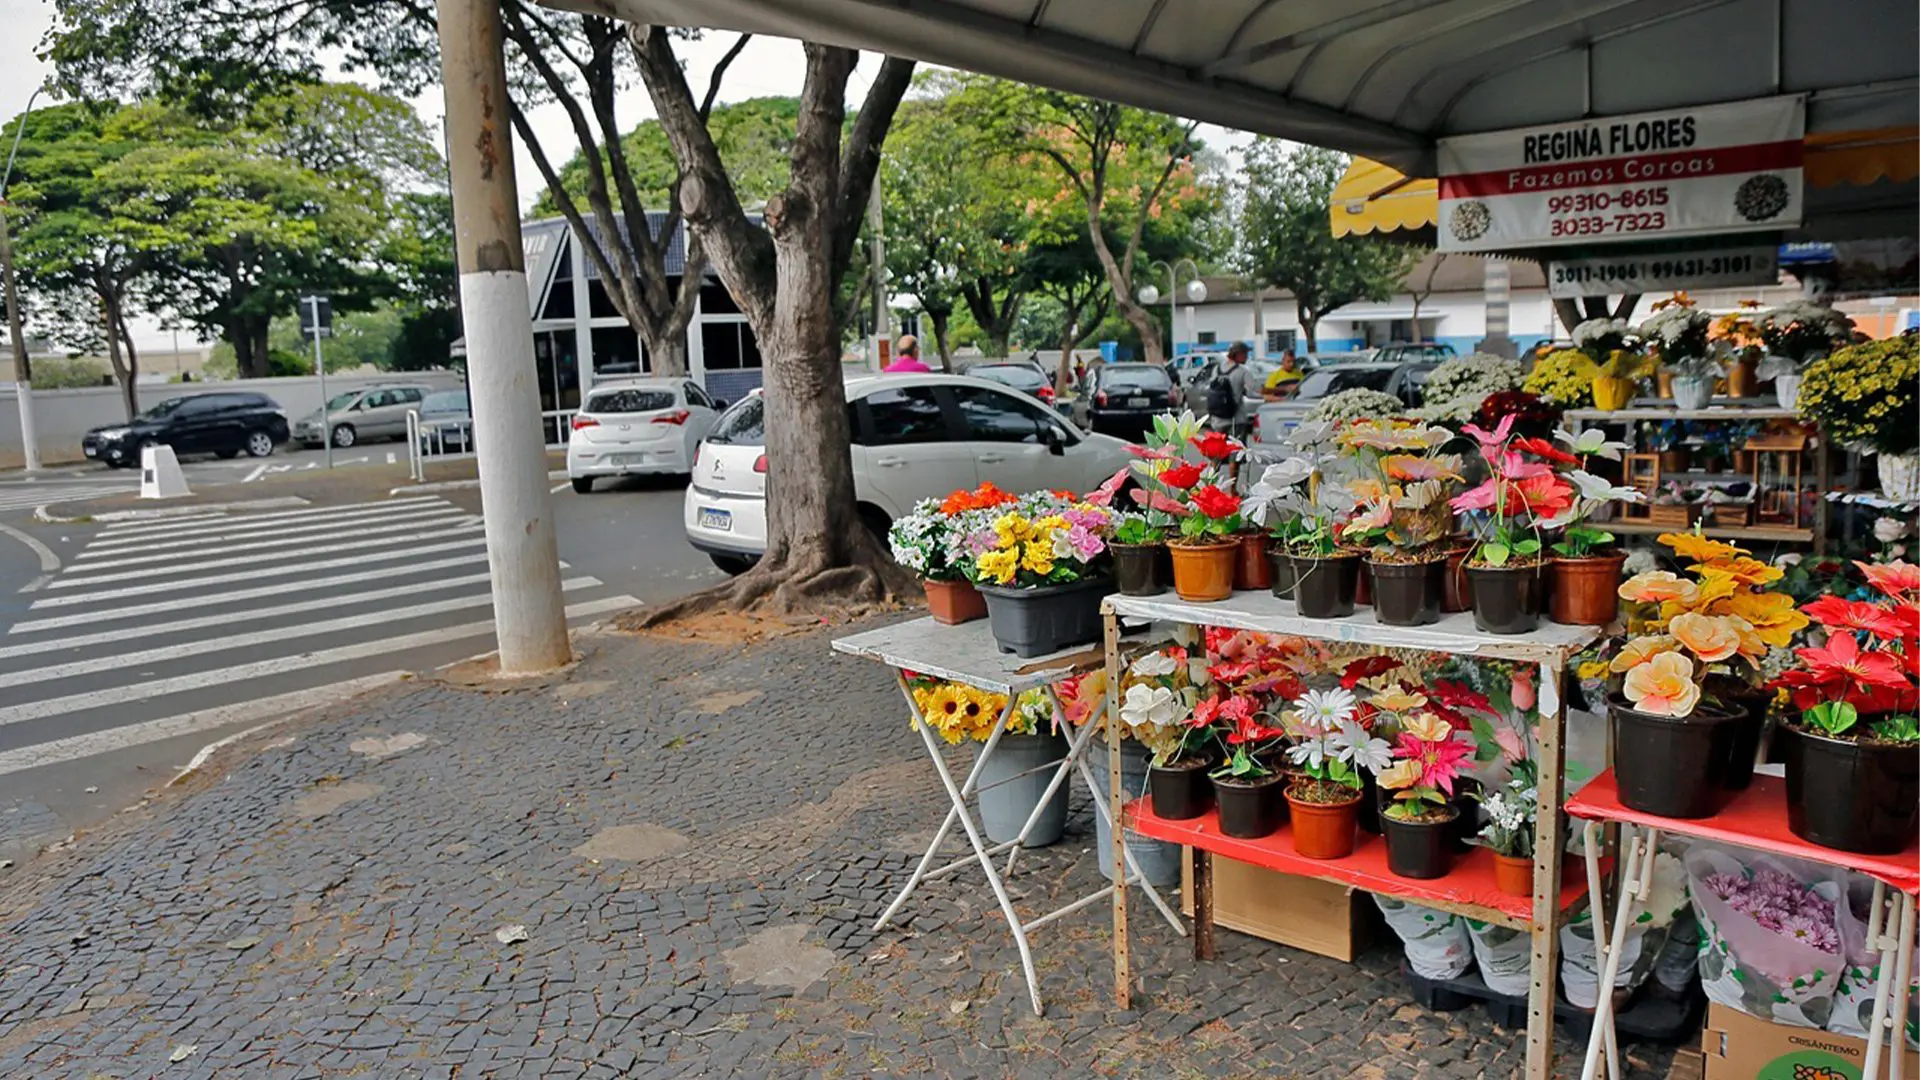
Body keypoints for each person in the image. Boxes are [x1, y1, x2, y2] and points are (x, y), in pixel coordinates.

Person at [1205, 342, 1256, 435]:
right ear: (1238, 354)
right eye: (1245, 354)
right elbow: (1252, 392)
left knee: (1221, 448)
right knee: (1238, 448)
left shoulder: (1217, 369)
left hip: (1217, 420)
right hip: (1236, 419)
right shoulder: (1243, 371)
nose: (1247, 357)